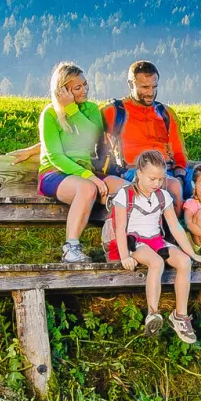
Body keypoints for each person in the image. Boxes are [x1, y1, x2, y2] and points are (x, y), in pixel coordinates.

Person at [101, 60, 201, 208]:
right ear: (130, 84)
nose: (150, 92)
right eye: (145, 87)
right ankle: (174, 231)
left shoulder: (165, 112)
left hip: (171, 170)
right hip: (136, 171)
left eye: (154, 86)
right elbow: (95, 145)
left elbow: (178, 150)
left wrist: (180, 174)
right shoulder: (114, 111)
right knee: (173, 187)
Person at [107, 150, 201, 343]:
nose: (157, 183)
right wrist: (124, 256)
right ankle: (152, 313)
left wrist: (193, 254)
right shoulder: (125, 194)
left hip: (156, 239)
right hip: (135, 241)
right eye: (152, 179)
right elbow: (119, 228)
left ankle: (180, 316)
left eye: (161, 179)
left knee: (184, 262)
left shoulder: (163, 196)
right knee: (156, 262)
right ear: (139, 174)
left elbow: (176, 227)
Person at [37, 61, 124, 263]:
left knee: (126, 190)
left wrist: (73, 111)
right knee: (87, 189)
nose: (84, 90)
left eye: (85, 84)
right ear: (62, 91)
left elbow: (93, 136)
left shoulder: (91, 109)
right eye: (77, 88)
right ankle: (71, 248)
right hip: (55, 173)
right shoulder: (49, 114)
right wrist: (90, 178)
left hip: (86, 171)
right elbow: (55, 156)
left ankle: (119, 245)